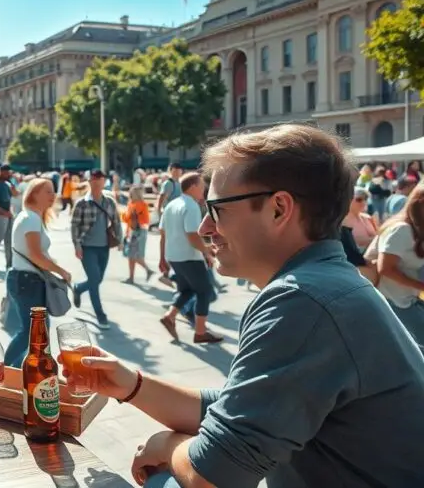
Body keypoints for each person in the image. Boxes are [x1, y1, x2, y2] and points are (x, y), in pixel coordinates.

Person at [86, 124, 424, 488]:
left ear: (279, 209)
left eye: (216, 210)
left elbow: (211, 477)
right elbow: (239, 408)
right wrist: (130, 385)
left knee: (164, 480)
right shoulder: (327, 281)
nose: (204, 228)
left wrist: (169, 447)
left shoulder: (301, 299)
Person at [4, 178, 73, 367]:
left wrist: (54, 265)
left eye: (53, 191)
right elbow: (35, 255)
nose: (53, 196)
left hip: (26, 280)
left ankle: (19, 372)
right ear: (34, 194)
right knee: (32, 332)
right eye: (48, 192)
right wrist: (61, 271)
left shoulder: (30, 217)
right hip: (28, 281)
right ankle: (7, 371)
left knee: (34, 331)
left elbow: (38, 254)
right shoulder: (31, 219)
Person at [156, 172, 223, 344]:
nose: (204, 190)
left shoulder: (171, 205)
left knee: (187, 290)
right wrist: (207, 252)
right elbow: (193, 235)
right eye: (201, 187)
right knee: (204, 291)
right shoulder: (191, 206)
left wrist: (162, 258)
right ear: (193, 187)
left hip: (174, 256)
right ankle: (200, 332)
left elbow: (163, 234)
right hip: (189, 256)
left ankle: (169, 316)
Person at [371, 183, 424, 344]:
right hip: (391, 301)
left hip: (405, 300)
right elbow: (385, 269)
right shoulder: (401, 229)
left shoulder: (415, 229)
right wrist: (421, 285)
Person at [70, 170, 122, 330]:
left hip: (104, 247)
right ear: (90, 182)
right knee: (94, 280)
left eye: (101, 179)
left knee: (97, 279)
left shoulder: (109, 202)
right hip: (87, 247)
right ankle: (101, 315)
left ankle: (78, 288)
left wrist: (120, 239)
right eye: (95, 179)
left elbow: (116, 221)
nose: (98, 182)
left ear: (104, 181)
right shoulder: (82, 203)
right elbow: (75, 226)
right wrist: (77, 245)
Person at [122, 185, 154, 283]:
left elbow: (127, 217)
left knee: (134, 255)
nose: (129, 194)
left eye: (131, 192)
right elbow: (145, 220)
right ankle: (131, 277)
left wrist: (123, 214)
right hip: (137, 231)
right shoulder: (140, 204)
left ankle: (147, 270)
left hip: (136, 232)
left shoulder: (135, 204)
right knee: (131, 255)